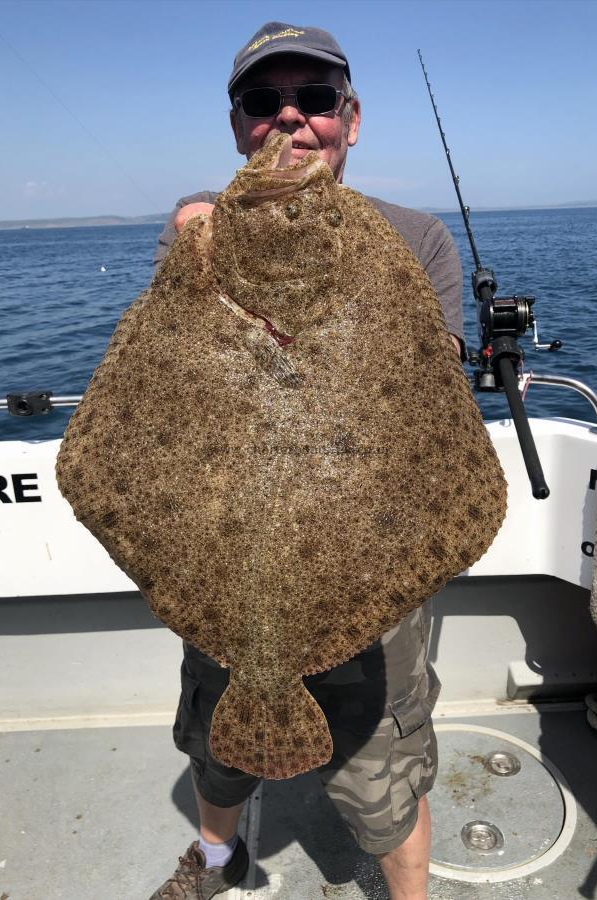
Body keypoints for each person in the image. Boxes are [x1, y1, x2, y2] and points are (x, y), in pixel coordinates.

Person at [149, 21, 464, 900]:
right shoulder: (199, 236)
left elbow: (426, 388)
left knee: (381, 768)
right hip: (232, 556)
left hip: (370, 564)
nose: (288, 120)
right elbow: (165, 389)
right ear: (237, 124)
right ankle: (216, 858)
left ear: (349, 119)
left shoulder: (417, 238)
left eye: (314, 100)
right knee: (218, 740)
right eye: (262, 102)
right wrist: (193, 235)